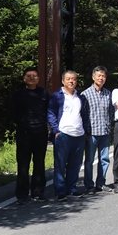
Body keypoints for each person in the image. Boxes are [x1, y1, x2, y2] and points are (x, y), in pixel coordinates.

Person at [47, 70, 90, 202]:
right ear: (63, 81)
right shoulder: (57, 96)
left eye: (74, 79)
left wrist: (85, 131)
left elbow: (84, 115)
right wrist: (56, 130)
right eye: (68, 79)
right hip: (63, 134)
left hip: (79, 134)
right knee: (60, 164)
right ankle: (60, 191)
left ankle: (71, 188)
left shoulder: (79, 97)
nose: (71, 81)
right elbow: (50, 113)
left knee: (75, 164)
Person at [10, 67, 50, 204]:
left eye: (34, 75)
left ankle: (38, 193)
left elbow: (48, 111)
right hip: (24, 133)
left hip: (40, 132)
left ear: (38, 78)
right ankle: (22, 195)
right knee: (23, 164)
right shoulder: (18, 94)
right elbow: (12, 113)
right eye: (29, 76)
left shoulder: (44, 93)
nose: (32, 78)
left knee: (39, 163)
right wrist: (22, 124)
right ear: (24, 78)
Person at [82, 65, 114, 195]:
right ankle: (89, 185)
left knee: (104, 159)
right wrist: (85, 132)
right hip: (91, 133)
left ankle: (101, 183)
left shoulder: (108, 93)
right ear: (93, 77)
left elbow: (110, 112)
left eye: (103, 76)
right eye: (99, 75)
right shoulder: (85, 94)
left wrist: (109, 126)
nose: (101, 78)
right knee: (89, 160)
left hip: (105, 132)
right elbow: (83, 114)